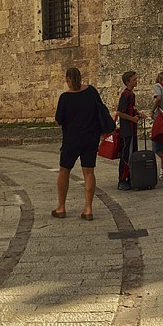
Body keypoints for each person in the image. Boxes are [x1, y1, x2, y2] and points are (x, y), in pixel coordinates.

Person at [53, 67, 109, 219]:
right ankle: (88, 209)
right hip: (91, 138)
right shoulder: (91, 91)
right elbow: (100, 109)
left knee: (64, 171)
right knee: (89, 172)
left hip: (72, 139)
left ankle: (61, 207)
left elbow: (59, 120)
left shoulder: (65, 97)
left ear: (67, 80)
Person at [115, 71, 142, 190]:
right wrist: (133, 119)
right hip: (128, 130)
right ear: (127, 82)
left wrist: (138, 114)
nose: (136, 81)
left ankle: (130, 177)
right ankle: (122, 179)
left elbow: (129, 110)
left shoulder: (131, 95)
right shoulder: (126, 95)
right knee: (127, 155)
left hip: (132, 130)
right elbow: (120, 112)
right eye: (134, 80)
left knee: (132, 154)